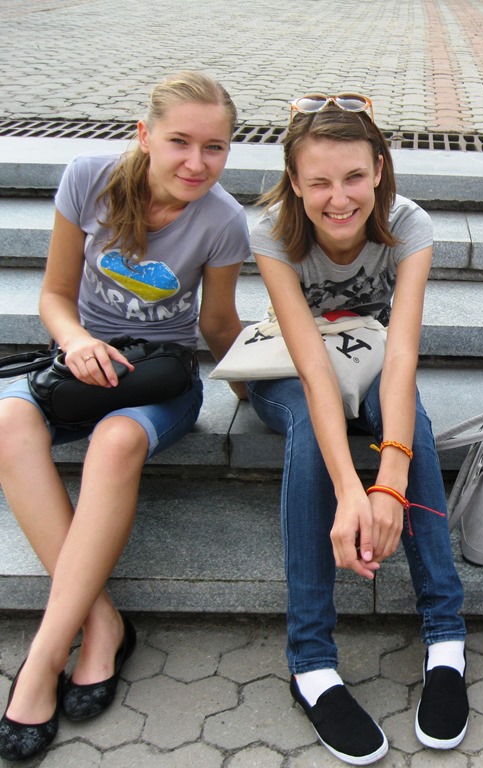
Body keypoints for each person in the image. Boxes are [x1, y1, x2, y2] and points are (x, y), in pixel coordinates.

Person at [0, 71, 249, 762]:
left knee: (114, 441)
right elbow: (54, 295)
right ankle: (102, 621)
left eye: (215, 147)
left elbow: (218, 324)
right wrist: (77, 341)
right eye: (179, 142)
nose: (197, 163)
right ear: (144, 134)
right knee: (7, 422)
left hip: (158, 381)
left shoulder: (223, 220)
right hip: (79, 367)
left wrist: (259, 394)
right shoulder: (89, 178)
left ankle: (41, 660)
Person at [247, 93, 468, 765]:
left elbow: (401, 358)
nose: (338, 199)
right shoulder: (271, 231)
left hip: (372, 359)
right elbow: (314, 373)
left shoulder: (408, 224)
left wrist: (390, 483)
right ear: (294, 181)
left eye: (353, 177)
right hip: (290, 369)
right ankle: (311, 663)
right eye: (318, 181)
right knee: (309, 428)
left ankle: (447, 641)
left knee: (409, 421)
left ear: (378, 170)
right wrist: (352, 490)